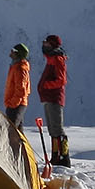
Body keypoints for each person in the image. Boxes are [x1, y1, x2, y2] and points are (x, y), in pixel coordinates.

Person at [37, 34, 69, 166]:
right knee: (52, 129)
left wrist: (46, 86)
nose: (44, 45)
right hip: (49, 98)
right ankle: (56, 156)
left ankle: (63, 157)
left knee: (57, 129)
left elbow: (61, 80)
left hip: (54, 98)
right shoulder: (51, 59)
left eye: (47, 43)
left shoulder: (57, 59)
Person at [3, 43, 31, 127]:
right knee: (17, 131)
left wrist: (12, 104)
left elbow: (21, 90)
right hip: (15, 104)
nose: (11, 52)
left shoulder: (20, 68)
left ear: (18, 54)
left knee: (12, 130)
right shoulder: (15, 67)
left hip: (16, 105)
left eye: (13, 51)